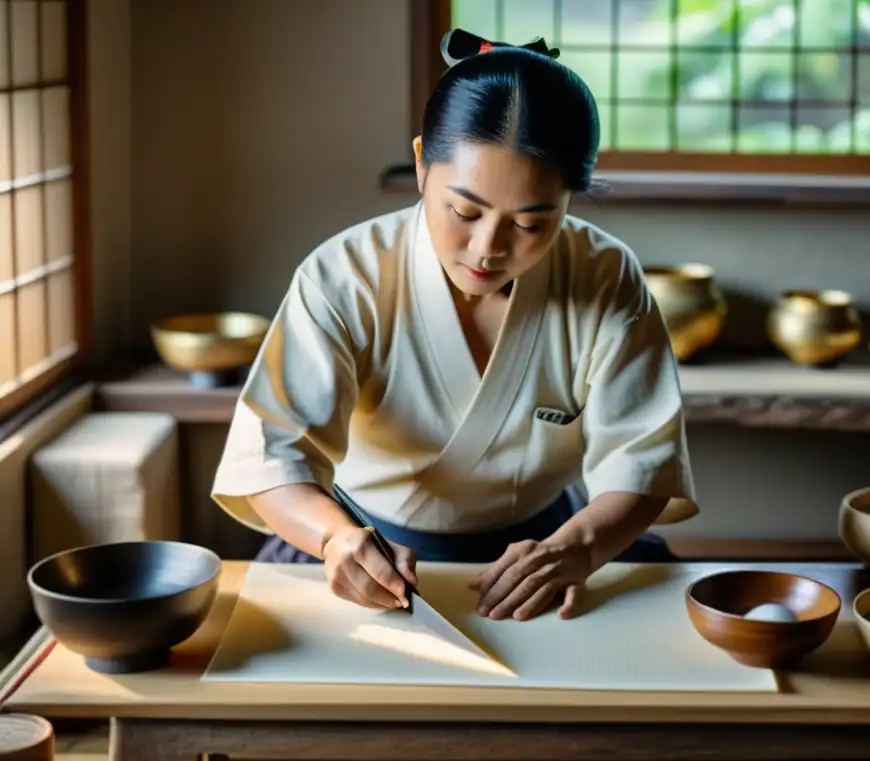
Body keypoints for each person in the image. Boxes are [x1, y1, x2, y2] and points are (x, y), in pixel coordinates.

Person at [211, 28, 698, 623]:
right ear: (421, 164)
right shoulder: (346, 276)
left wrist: (579, 547)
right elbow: (272, 455)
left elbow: (641, 460)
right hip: (362, 553)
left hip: (549, 554)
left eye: (530, 224)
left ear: (569, 201)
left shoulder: (604, 275)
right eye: (464, 211)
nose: (488, 248)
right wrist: (335, 540)